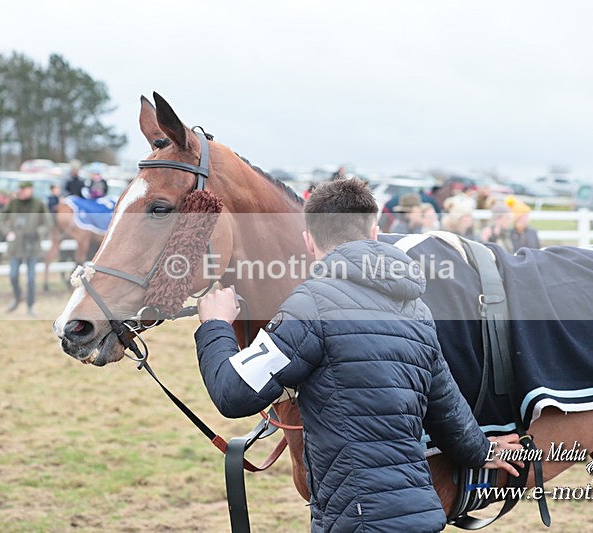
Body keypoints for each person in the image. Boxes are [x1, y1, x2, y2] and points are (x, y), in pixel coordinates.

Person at [194, 178, 521, 532]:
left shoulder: (309, 306)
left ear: (309, 240)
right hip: (421, 518)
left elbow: (233, 391)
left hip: (357, 521)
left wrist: (215, 324)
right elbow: (448, 412)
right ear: (375, 233)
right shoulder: (416, 310)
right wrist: (484, 452)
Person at [0, 181, 50, 316]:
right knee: (13, 275)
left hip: (32, 246)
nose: (21, 191)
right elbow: (1, 218)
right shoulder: (13, 203)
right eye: (20, 189)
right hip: (16, 246)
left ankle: (30, 305)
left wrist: (38, 233)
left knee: (31, 279)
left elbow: (47, 223)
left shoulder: (38, 204)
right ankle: (17, 297)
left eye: (24, 189)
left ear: (30, 190)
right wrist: (7, 232)